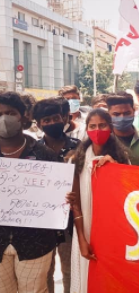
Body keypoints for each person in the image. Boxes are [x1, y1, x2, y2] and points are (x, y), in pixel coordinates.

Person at [0, 91, 64, 293]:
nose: (4, 119)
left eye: (10, 113)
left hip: (36, 242)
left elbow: (58, 195)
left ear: (23, 116)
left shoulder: (45, 155)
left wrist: (65, 197)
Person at [69, 109, 130, 293]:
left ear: (110, 128)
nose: (97, 130)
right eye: (92, 126)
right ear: (86, 129)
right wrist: (81, 238)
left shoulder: (122, 159)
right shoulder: (77, 160)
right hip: (85, 228)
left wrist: (116, 170)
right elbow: (76, 205)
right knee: (85, 279)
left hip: (113, 232)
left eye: (102, 125)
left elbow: (128, 197)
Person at [32, 98, 79, 293]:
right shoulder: (32, 151)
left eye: (56, 118)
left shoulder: (80, 147)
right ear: (39, 124)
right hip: (41, 221)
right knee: (45, 270)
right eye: (46, 120)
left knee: (69, 269)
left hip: (71, 220)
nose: (52, 123)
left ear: (64, 118)